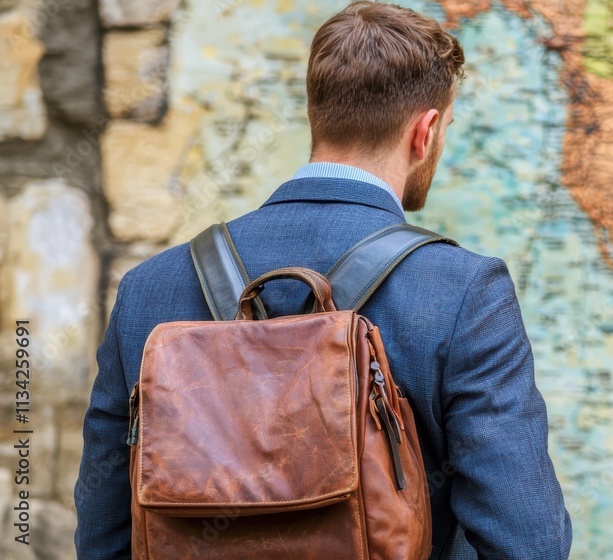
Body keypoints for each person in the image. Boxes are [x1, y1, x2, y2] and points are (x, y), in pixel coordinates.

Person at [73, 2, 572, 558]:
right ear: (426, 131)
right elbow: (527, 542)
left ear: (316, 110)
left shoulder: (150, 289)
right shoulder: (464, 292)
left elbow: (103, 532)